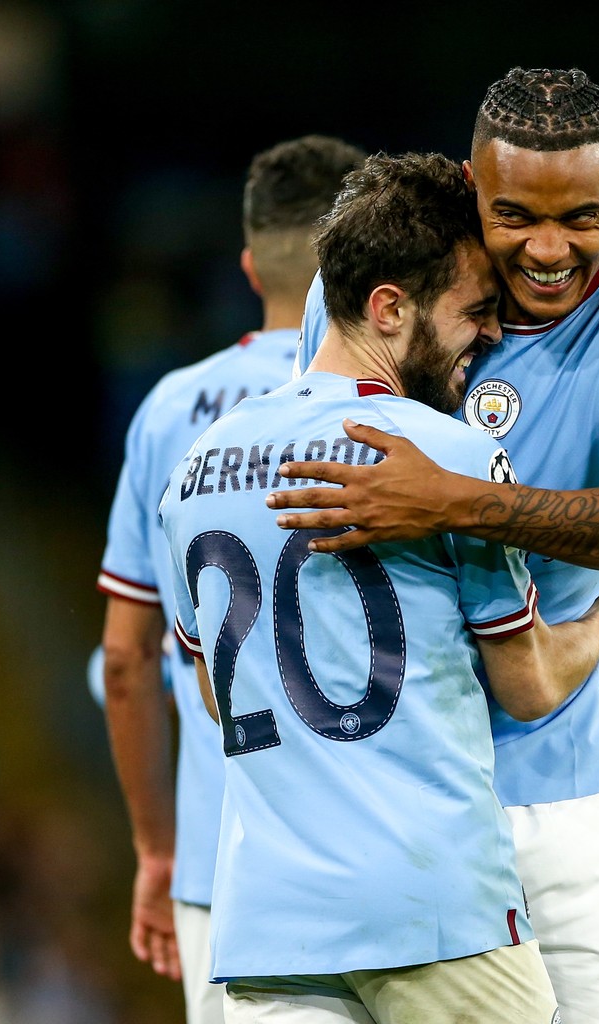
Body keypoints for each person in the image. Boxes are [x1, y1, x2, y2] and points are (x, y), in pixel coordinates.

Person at [274, 67, 599, 1023]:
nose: (546, 250)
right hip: (390, 795)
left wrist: (461, 503)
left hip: (557, 791)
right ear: (469, 190)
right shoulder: (393, 295)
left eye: (580, 216)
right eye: (513, 217)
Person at [160, 149, 599, 1023]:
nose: (489, 336)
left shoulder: (192, 471)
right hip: (434, 907)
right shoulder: (445, 458)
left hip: (269, 925)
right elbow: (526, 685)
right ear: (389, 307)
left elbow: (221, 699)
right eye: (474, 311)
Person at [93, 133, 366, 1022]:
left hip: (228, 860)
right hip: (389, 846)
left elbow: (127, 663)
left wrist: (155, 850)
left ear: (251, 265)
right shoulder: (403, 405)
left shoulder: (173, 410)